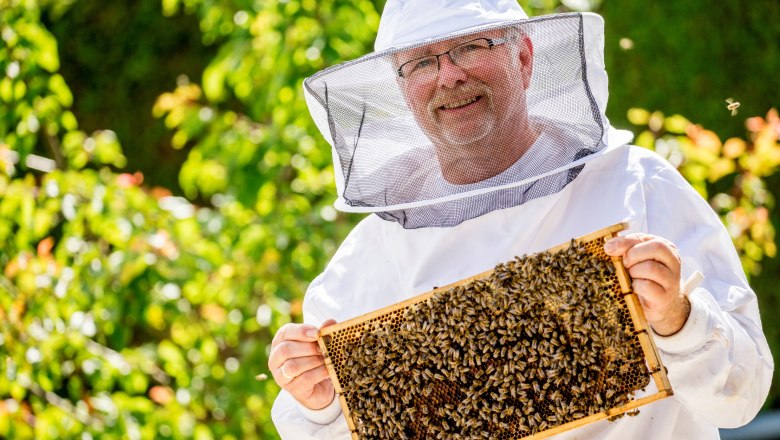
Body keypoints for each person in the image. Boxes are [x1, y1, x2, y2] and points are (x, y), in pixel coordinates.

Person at [269, 1, 773, 438]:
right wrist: (318, 404)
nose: (449, 76)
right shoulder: (365, 263)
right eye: (421, 62)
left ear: (525, 58)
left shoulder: (637, 185)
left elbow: (741, 398)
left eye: (471, 46)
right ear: (404, 91)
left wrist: (679, 320)